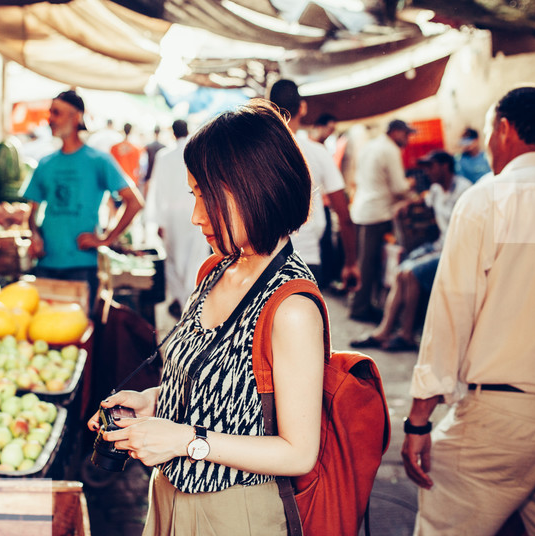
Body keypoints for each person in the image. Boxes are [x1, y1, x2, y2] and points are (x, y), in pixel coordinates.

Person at [88, 100, 325, 536]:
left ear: (254, 189)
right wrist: (153, 400)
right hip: (169, 494)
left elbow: (298, 451)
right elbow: (227, 392)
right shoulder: (217, 269)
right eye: (194, 196)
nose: (197, 216)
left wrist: (185, 439)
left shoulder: (291, 307)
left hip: (234, 513)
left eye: (206, 197)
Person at [401, 86, 535, 536]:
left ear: (503, 128)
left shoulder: (488, 197)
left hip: (501, 424)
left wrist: (419, 416)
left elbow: (451, 312)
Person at [22, 90, 144, 305]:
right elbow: (31, 212)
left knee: (80, 332)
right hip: (45, 264)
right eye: (51, 113)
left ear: (76, 117)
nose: (51, 119)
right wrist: (34, 234)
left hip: (82, 266)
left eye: (57, 113)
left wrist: (106, 239)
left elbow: (134, 202)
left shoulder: (98, 161)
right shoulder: (45, 163)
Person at [351, 150, 471, 352]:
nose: (427, 172)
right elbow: (422, 199)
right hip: (438, 246)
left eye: (430, 166)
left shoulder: (464, 190)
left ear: (444, 166)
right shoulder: (435, 190)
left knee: (411, 274)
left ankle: (406, 335)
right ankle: (384, 331)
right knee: (400, 271)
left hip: (457, 250)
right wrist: (405, 204)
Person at [267, 79, 359, 291]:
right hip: (306, 260)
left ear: (269, 108)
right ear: (303, 108)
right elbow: (344, 216)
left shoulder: (253, 153)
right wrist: (351, 263)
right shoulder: (317, 152)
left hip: (264, 263)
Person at [349, 118, 416, 322]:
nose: (407, 139)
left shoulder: (370, 146)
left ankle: (363, 305)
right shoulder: (390, 150)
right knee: (372, 265)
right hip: (377, 214)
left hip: (362, 210)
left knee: (364, 263)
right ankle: (361, 308)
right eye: (405, 134)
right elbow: (398, 187)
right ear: (395, 132)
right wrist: (411, 185)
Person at [144, 119, 210, 318]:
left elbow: (157, 190)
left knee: (172, 260)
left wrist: (159, 220)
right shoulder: (197, 151)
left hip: (172, 216)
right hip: (196, 210)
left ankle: (182, 301)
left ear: (172, 133)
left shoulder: (164, 157)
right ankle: (192, 302)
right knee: (196, 260)